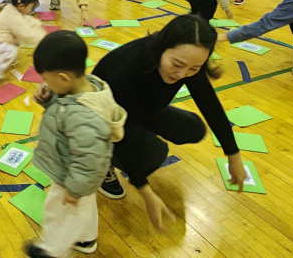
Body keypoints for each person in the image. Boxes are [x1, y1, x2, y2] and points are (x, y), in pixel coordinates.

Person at [92, 14, 246, 230]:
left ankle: (136, 142)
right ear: (162, 47)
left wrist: (233, 154)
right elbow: (119, 129)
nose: (183, 74)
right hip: (103, 120)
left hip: (141, 108)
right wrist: (146, 191)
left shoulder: (189, 60)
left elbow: (209, 102)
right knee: (153, 154)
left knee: (193, 128)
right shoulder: (129, 68)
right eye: (177, 64)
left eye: (194, 69)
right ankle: (103, 164)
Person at [24, 31, 126, 258]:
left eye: (47, 79)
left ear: (63, 77)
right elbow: (64, 111)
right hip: (77, 172)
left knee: (58, 210)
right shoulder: (82, 87)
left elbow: (90, 157)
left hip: (71, 174)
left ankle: (53, 249)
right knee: (84, 206)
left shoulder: (85, 117)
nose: (45, 83)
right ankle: (85, 240)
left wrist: (75, 187)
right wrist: (48, 97)